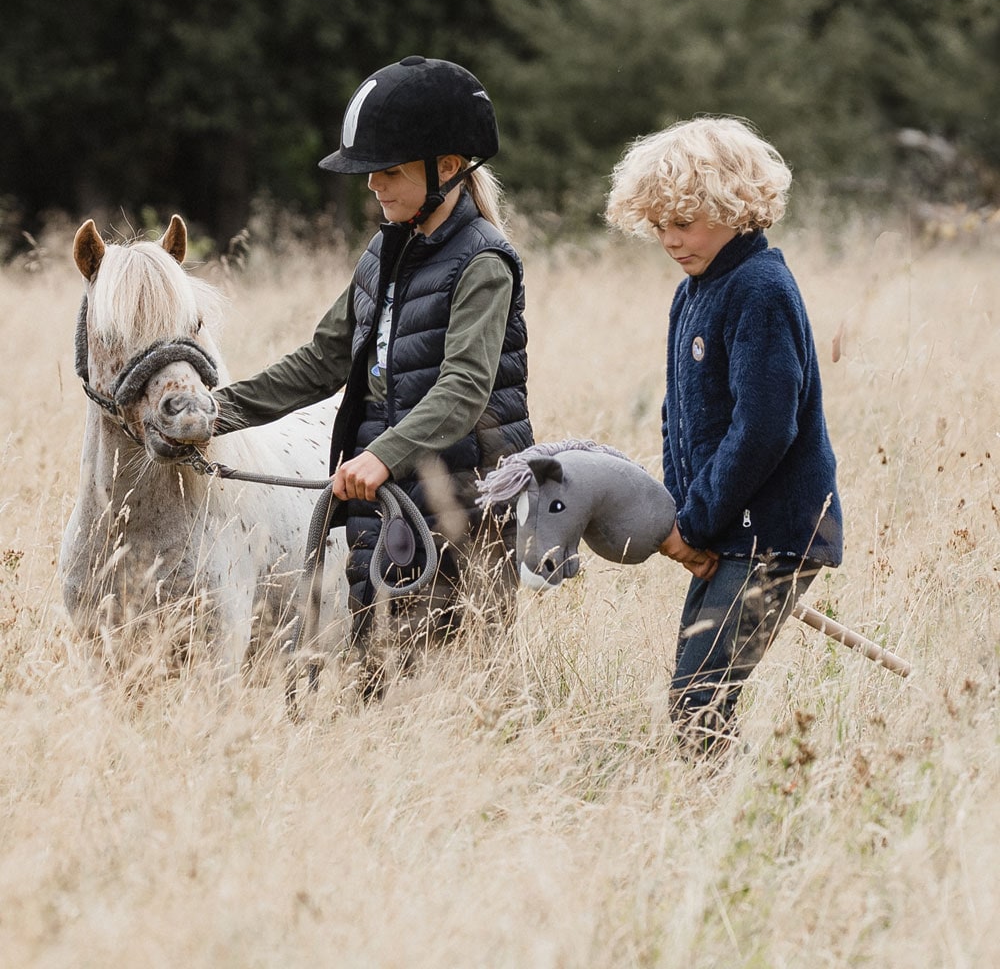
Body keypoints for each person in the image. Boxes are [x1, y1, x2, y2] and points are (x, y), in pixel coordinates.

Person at [213, 56, 533, 696]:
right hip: (382, 504)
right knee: (376, 687)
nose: (373, 187)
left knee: (443, 692)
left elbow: (465, 388)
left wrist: (380, 457)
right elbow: (323, 359)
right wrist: (216, 411)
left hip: (462, 507)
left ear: (446, 169)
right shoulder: (383, 252)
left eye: (387, 172)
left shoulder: (485, 265)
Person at [605, 116, 842, 753]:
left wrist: (700, 523)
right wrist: (681, 518)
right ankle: (707, 821)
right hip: (725, 531)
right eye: (659, 226)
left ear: (735, 207)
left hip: (774, 533)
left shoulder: (760, 290)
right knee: (696, 695)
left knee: (698, 700)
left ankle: (725, 831)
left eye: (684, 222)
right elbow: (678, 414)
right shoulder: (695, 293)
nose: (671, 240)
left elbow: (765, 428)